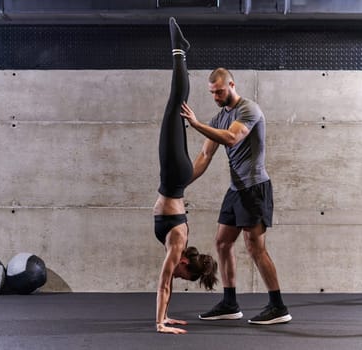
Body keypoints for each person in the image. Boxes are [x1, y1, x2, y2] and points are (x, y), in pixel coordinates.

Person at [180, 68, 292, 325]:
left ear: (231, 84)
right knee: (222, 242)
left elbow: (232, 138)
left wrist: (197, 124)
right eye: (212, 93)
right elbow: (205, 156)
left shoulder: (249, 110)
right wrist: (181, 185)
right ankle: (230, 303)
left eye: (219, 91)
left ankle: (278, 306)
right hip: (235, 190)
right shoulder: (220, 117)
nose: (216, 96)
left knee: (255, 248)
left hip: (254, 189)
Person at [153, 17, 218, 335]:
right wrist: (160, 323)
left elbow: (170, 281)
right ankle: (179, 49)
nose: (177, 277)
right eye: (183, 275)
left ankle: (181, 51)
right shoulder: (177, 244)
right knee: (174, 105)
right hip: (174, 175)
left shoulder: (179, 247)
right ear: (185, 264)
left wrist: (167, 315)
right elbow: (165, 282)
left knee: (175, 106)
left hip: (176, 180)